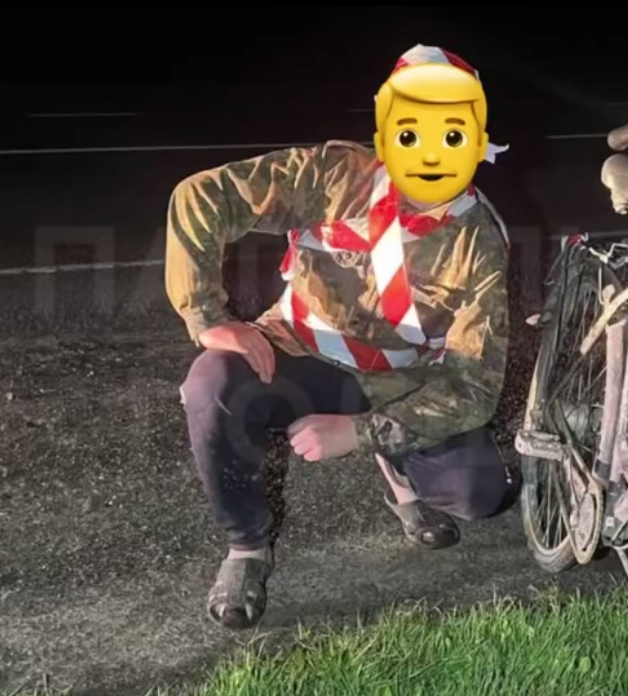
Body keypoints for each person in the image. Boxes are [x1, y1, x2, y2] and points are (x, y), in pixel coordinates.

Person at [165, 45, 517, 630]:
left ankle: (396, 469)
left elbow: (473, 386)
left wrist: (359, 432)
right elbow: (202, 196)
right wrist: (207, 318)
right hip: (301, 349)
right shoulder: (332, 175)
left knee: (478, 493)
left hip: (400, 382)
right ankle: (247, 546)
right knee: (213, 383)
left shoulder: (479, 240)